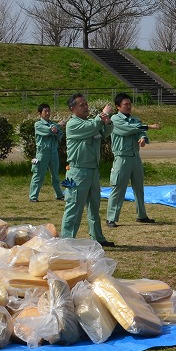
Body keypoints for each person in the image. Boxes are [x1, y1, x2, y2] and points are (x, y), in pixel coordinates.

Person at [61, 92, 115, 247]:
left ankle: (97, 238)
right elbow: (91, 127)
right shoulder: (73, 124)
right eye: (82, 105)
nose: (86, 107)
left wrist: (108, 122)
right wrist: (103, 114)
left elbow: (104, 133)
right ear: (73, 109)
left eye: (86, 104)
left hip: (92, 170)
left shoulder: (91, 123)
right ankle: (66, 241)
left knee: (94, 206)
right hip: (77, 171)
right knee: (73, 207)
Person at [106, 93, 161, 227]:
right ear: (118, 106)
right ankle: (111, 218)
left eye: (130, 104)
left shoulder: (135, 120)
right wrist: (149, 126)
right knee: (118, 187)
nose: (129, 106)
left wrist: (143, 138)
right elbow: (128, 130)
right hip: (122, 157)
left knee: (139, 187)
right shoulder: (115, 119)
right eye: (125, 104)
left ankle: (142, 215)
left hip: (135, 157)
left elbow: (140, 132)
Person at [29, 103, 64, 202]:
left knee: (55, 176)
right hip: (42, 153)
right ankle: (33, 197)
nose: (48, 113)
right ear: (40, 113)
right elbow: (48, 130)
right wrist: (57, 126)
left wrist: (56, 130)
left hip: (53, 153)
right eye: (45, 111)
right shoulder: (38, 124)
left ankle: (59, 195)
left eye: (49, 111)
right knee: (38, 175)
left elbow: (59, 135)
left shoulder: (52, 123)